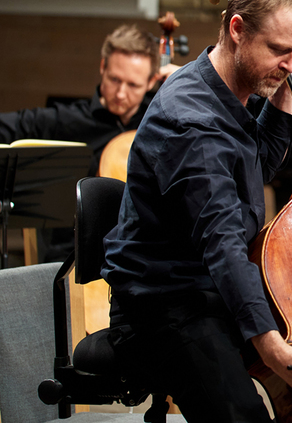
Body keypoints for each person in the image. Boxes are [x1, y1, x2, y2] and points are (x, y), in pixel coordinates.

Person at [102, 0, 292, 422]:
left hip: (210, 287)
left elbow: (259, 164)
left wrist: (285, 82)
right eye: (279, 50)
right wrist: (272, 349)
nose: (291, 65)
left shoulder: (228, 87)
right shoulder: (190, 123)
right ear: (237, 30)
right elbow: (223, 245)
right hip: (165, 305)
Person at [0, 24, 171, 262]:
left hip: (141, 257)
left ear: (152, 81)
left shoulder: (162, 117)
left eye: (133, 85)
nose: (121, 93)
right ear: (102, 67)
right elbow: (9, 125)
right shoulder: (68, 121)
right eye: (114, 79)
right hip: (74, 255)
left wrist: (184, 80)